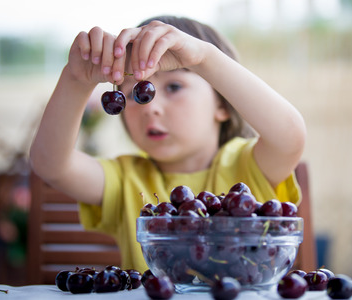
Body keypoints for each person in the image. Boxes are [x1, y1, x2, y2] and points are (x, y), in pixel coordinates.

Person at [29, 15, 306, 273]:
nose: (150, 107)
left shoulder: (248, 165)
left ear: (222, 104)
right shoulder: (126, 178)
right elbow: (49, 164)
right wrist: (76, 80)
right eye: (136, 94)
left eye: (173, 87)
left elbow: (290, 135)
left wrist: (204, 58)